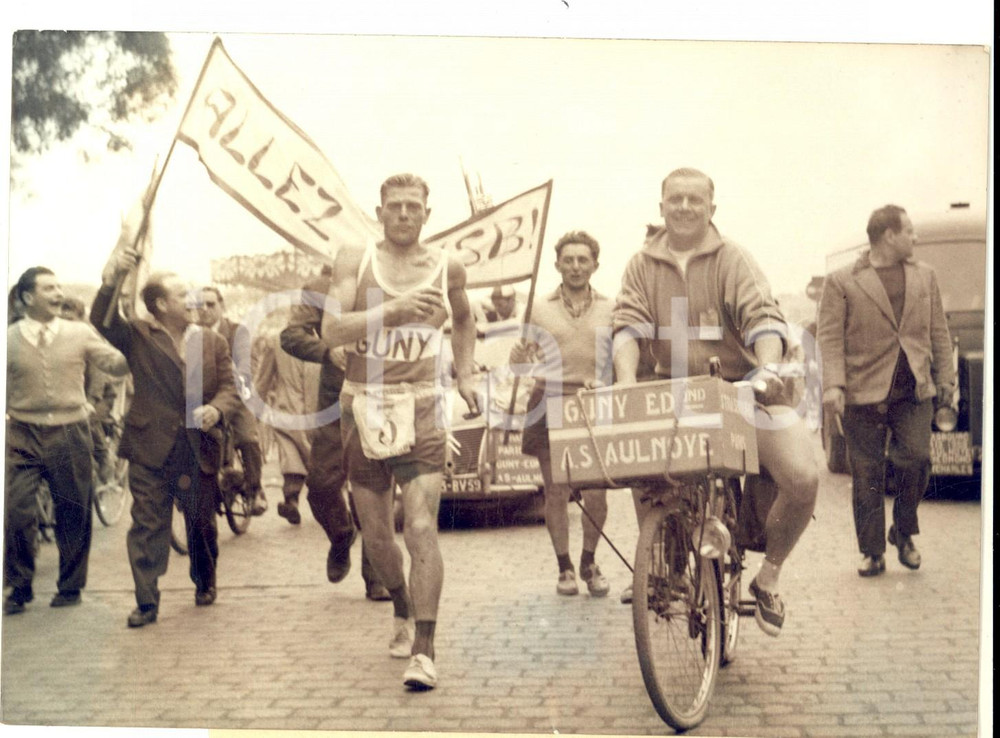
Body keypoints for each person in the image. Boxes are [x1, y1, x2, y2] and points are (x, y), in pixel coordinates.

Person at [612, 168, 818, 636]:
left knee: (802, 475)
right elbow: (627, 324)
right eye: (675, 199)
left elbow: (762, 315)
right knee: (642, 470)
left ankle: (769, 577)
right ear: (661, 205)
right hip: (673, 395)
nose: (684, 207)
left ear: (711, 208)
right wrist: (625, 380)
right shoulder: (640, 265)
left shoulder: (732, 258)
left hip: (740, 391)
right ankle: (665, 566)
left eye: (695, 200)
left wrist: (766, 366)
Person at [321, 173, 479, 690]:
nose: (405, 214)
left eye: (414, 206)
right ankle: (401, 605)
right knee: (376, 535)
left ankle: (425, 649)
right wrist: (391, 311)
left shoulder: (447, 265)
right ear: (380, 211)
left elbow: (465, 320)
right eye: (395, 206)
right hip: (362, 405)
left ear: (428, 214)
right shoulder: (354, 259)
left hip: (423, 404)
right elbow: (330, 331)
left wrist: (467, 370)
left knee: (419, 527)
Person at [92, 248, 240, 627]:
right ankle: (146, 601)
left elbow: (230, 388)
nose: (192, 301)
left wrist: (217, 409)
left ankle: (205, 580)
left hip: (196, 448)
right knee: (147, 525)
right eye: (181, 295)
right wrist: (114, 278)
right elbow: (102, 319)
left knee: (201, 523)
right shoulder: (139, 335)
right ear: (160, 304)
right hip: (149, 448)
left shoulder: (211, 341)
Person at [817, 204, 955, 577]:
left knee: (917, 459)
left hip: (914, 389)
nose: (915, 237)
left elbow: (938, 331)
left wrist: (946, 380)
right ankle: (872, 551)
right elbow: (829, 337)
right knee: (867, 473)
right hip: (862, 391)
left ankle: (903, 531)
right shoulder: (842, 280)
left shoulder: (925, 276)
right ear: (888, 236)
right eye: (909, 231)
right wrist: (833, 385)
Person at [4, 267, 129, 615]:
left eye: (59, 287)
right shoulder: (9, 338)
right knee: (15, 512)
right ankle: (18, 586)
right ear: (28, 297)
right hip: (21, 434)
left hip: (71, 431)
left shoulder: (79, 333)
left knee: (73, 509)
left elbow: (115, 363)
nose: (58, 293)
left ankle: (70, 586)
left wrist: (130, 350)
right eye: (49, 288)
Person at [510, 230, 614, 597]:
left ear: (594, 265)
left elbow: (620, 359)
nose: (575, 266)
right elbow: (519, 361)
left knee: (598, 496)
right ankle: (565, 567)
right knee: (556, 492)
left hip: (593, 407)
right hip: (549, 402)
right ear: (557, 264)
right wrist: (520, 359)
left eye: (583, 260)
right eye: (568, 260)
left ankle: (589, 561)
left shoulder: (611, 308)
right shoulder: (538, 308)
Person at [280, 268, 391, 601]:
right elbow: (291, 335)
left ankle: (377, 577)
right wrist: (326, 350)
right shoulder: (319, 286)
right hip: (336, 397)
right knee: (322, 484)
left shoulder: (397, 276)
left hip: (387, 393)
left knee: (374, 484)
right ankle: (341, 535)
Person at [198, 286, 268, 516]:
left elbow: (249, 365)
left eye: (211, 304)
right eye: (201, 305)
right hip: (205, 398)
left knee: (247, 437)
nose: (205, 310)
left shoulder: (237, 332)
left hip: (236, 395)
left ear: (222, 306)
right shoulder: (192, 333)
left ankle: (255, 489)